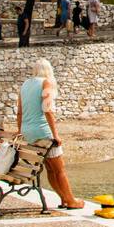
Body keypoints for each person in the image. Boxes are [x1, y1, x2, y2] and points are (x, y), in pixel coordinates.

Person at [18, 59, 85, 210]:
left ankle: (63, 198)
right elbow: (47, 109)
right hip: (43, 131)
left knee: (50, 168)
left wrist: (19, 131)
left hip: (28, 132)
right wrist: (55, 135)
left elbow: (20, 112)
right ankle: (71, 201)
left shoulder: (25, 85)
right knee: (59, 169)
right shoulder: (46, 83)